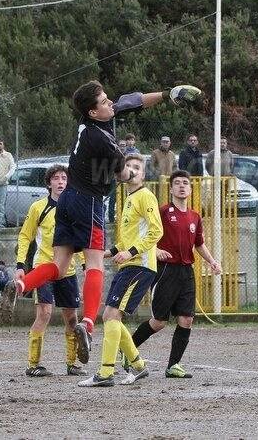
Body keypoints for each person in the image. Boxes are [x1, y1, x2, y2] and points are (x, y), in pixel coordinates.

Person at [1, 80, 197, 365]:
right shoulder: (100, 139)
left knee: (58, 267)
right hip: (88, 202)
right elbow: (120, 173)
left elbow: (134, 101)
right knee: (94, 265)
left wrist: (168, 94)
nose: (110, 103)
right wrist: (134, 176)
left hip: (66, 201)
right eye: (104, 102)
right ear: (93, 113)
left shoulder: (89, 121)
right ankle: (89, 325)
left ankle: (20, 286)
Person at [78, 154, 162, 387]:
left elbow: (156, 231)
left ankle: (105, 373)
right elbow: (126, 240)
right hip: (129, 264)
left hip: (140, 265)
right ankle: (138, 366)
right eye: (129, 166)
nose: (133, 170)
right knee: (110, 316)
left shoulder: (145, 196)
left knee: (112, 316)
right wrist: (108, 252)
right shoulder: (127, 199)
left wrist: (131, 252)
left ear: (143, 175)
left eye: (137, 167)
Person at [128, 170, 222, 378]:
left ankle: (173, 365)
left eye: (185, 183)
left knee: (186, 319)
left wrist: (212, 261)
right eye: (177, 183)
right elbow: (145, 235)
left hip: (186, 272)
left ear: (190, 189)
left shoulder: (195, 216)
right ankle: (129, 350)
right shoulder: (162, 212)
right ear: (171, 189)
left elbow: (199, 244)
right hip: (166, 271)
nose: (181, 186)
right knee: (160, 322)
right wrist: (154, 250)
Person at [15, 164, 87, 377]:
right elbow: (25, 236)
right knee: (44, 313)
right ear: (49, 183)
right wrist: (20, 265)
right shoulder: (38, 207)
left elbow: (80, 241)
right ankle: (33, 364)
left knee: (72, 319)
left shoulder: (74, 208)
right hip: (44, 268)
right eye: (56, 178)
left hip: (68, 270)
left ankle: (72, 363)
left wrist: (85, 264)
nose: (61, 182)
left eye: (64, 178)